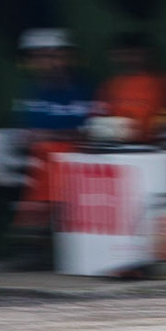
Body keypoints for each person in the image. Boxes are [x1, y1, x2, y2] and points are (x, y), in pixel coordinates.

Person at [10, 27, 98, 244]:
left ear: (68, 57)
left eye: (53, 56)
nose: (46, 63)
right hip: (36, 169)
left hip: (79, 167)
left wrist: (51, 135)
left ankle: (37, 232)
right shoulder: (31, 91)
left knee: (50, 152)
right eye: (38, 57)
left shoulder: (86, 89)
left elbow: (94, 133)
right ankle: (33, 234)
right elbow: (25, 133)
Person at [96, 32, 166, 144]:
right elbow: (101, 121)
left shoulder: (161, 83)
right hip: (116, 146)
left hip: (153, 146)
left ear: (146, 55)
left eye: (133, 54)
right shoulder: (110, 85)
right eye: (122, 55)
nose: (128, 59)